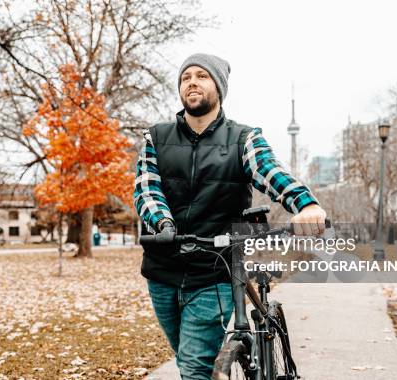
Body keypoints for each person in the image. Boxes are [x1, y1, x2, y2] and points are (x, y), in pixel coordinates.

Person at [133, 53, 326, 379]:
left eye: (201, 76)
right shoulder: (156, 138)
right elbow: (147, 191)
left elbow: (269, 172)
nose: (192, 82)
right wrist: (163, 223)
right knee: (186, 359)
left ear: (219, 88)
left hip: (215, 268)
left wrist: (305, 204)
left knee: (194, 366)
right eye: (185, 77)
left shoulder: (243, 139)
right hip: (162, 269)